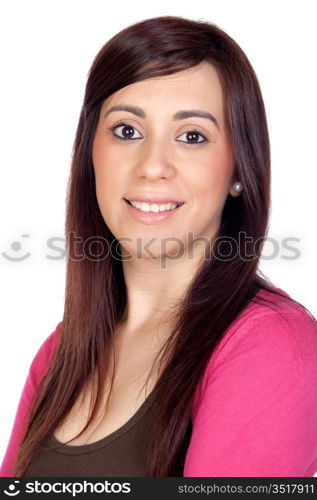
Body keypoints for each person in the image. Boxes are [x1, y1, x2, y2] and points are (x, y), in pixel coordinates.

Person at [1, 15, 317, 478]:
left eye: (192, 136)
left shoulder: (275, 348)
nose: (153, 166)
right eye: (127, 130)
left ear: (238, 170)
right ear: (91, 155)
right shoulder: (61, 353)